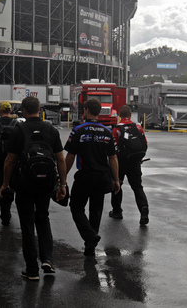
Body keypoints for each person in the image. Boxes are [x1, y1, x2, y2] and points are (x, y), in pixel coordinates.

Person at [0, 97, 67, 281]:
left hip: (24, 184)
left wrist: (5, 184)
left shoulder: (18, 130)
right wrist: (62, 184)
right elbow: (60, 159)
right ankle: (47, 259)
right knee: (43, 218)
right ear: (40, 109)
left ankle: (32, 270)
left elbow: (10, 161)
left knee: (27, 224)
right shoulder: (51, 130)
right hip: (45, 184)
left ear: (23, 111)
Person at [64, 98, 120, 256]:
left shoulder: (79, 130)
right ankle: (90, 246)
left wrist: (62, 178)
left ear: (87, 110)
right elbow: (113, 158)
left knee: (76, 207)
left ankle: (90, 236)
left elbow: (70, 156)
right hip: (102, 177)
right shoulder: (108, 132)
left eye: (84, 110)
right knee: (96, 211)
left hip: (84, 176)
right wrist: (116, 180)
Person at [109, 105, 149, 226]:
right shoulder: (137, 126)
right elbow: (144, 143)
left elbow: (113, 149)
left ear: (120, 115)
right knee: (137, 187)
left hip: (121, 162)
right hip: (135, 162)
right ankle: (143, 209)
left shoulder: (116, 129)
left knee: (117, 185)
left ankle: (117, 211)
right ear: (130, 115)